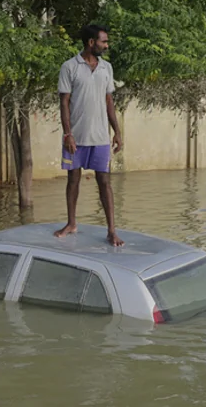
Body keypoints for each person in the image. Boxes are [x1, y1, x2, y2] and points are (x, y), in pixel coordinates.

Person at [54, 24, 124, 246]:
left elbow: (109, 101)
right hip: (75, 137)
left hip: (101, 137)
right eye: (103, 41)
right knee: (73, 180)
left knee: (105, 182)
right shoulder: (69, 67)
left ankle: (111, 230)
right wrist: (68, 134)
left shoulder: (106, 68)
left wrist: (117, 132)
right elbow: (64, 102)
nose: (106, 45)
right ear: (91, 42)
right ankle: (71, 223)